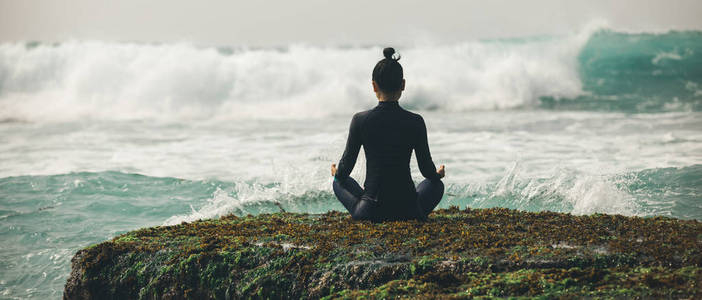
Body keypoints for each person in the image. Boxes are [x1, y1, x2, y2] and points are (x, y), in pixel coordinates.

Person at [331, 47, 445, 222]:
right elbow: (427, 171)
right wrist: (438, 174)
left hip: (369, 211)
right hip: (409, 210)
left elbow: (345, 170)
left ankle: (362, 205)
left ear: (374, 85)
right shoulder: (415, 121)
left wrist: (336, 173)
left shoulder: (360, 120)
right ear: (403, 85)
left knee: (338, 182)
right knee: (436, 185)